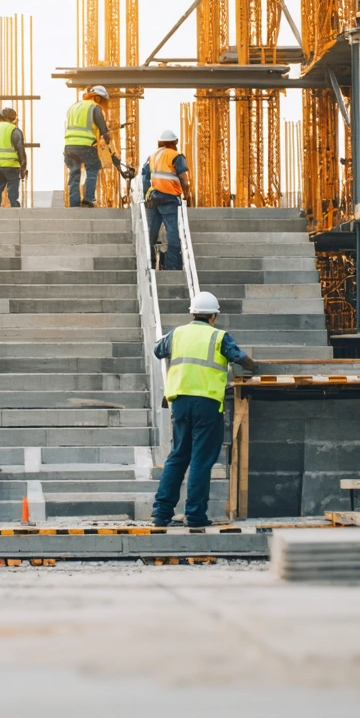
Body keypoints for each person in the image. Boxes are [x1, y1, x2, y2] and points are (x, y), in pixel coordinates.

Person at [152, 291, 259, 528]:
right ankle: (195, 515)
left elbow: (158, 351)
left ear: (192, 313)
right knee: (201, 459)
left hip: (179, 401)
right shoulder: (219, 336)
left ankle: (161, 513)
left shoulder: (178, 333)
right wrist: (254, 366)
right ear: (213, 316)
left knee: (178, 456)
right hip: (207, 404)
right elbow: (238, 356)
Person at [141, 129, 192, 271]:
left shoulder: (152, 156)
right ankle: (172, 266)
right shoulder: (176, 156)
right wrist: (186, 195)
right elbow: (183, 178)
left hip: (153, 199)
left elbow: (145, 178)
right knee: (172, 234)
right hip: (169, 198)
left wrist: (146, 196)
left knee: (150, 234)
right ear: (174, 142)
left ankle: (149, 265)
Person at [63, 86, 120, 208]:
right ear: (98, 98)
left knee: (74, 173)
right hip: (86, 145)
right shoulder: (94, 107)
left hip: (69, 146)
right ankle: (88, 199)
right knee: (93, 168)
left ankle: (74, 203)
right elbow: (103, 129)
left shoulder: (74, 107)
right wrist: (108, 141)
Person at [0, 107, 28, 208]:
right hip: (11, 165)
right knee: (13, 194)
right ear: (13, 118)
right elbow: (20, 150)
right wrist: (23, 167)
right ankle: (15, 212)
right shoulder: (14, 130)